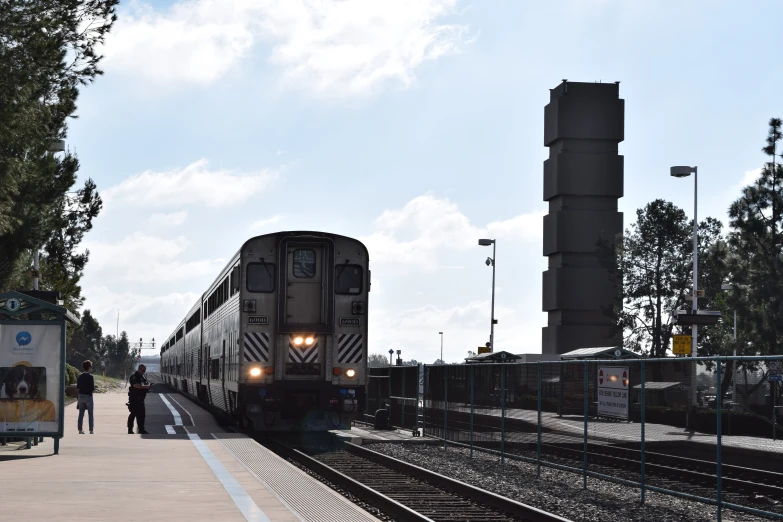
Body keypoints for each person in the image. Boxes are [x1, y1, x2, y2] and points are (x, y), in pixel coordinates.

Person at [127, 364, 153, 434]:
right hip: (135, 398)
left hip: (141, 398)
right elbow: (135, 385)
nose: (143, 372)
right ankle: (130, 429)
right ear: (139, 369)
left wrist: (148, 387)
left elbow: (144, 385)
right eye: (142, 370)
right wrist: (145, 387)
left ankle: (141, 429)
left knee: (142, 415)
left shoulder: (142, 377)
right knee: (133, 414)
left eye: (144, 371)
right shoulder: (134, 377)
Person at [76, 360, 95, 434]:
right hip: (88, 396)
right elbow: (92, 388)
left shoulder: (80, 376)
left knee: (81, 414)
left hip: (81, 396)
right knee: (90, 414)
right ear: (89, 367)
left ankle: (80, 430)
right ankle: (91, 430)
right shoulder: (91, 377)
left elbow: (78, 387)